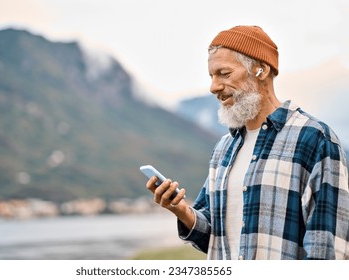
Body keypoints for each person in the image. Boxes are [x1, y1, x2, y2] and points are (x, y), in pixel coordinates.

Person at [146, 25, 349, 260]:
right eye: (211, 76)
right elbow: (215, 237)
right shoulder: (223, 148)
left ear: (260, 70)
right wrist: (180, 210)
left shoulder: (315, 140)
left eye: (224, 73)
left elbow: (328, 250)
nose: (214, 87)